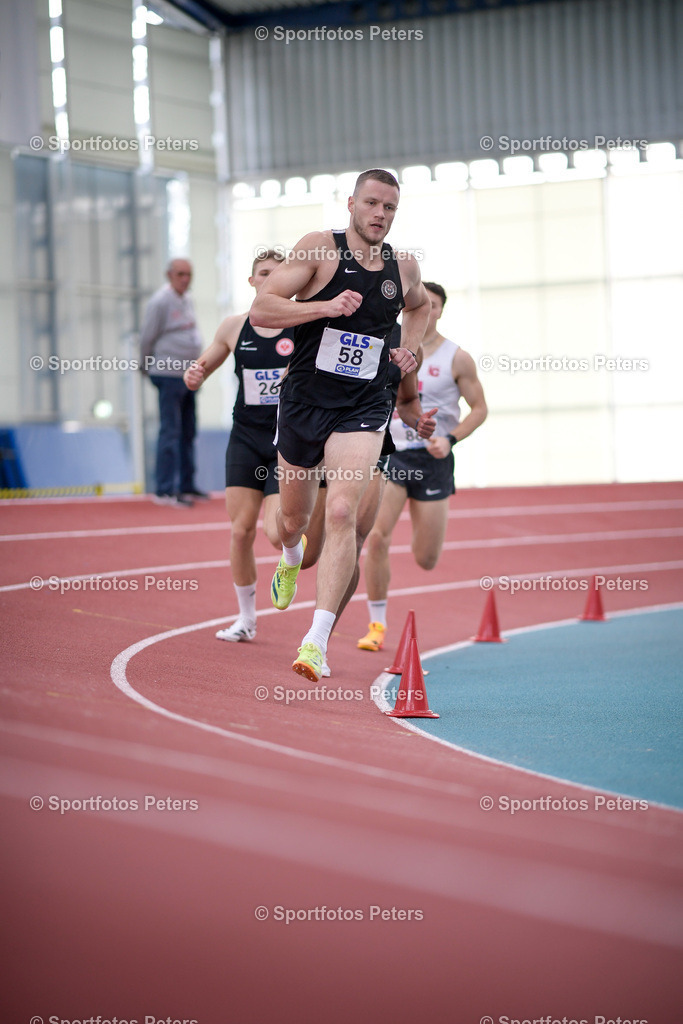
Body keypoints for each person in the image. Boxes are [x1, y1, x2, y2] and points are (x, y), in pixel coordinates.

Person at [250, 168, 430, 682]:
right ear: (350, 203)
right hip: (306, 400)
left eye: (389, 207)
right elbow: (262, 310)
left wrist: (409, 349)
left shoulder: (404, 265)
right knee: (293, 522)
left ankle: (315, 642)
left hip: (366, 403)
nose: (380, 215)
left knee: (344, 509)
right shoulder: (317, 250)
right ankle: (288, 556)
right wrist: (326, 306)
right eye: (372, 203)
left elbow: (418, 309)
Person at [357, 282, 488, 652]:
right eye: (420, 304)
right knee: (377, 536)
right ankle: (377, 624)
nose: (425, 310)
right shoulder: (389, 347)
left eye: (433, 305)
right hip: (394, 454)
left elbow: (480, 409)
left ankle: (421, 536)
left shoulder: (456, 358)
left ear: (440, 311)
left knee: (426, 559)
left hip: (433, 460)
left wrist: (450, 439)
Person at [183, 250, 292, 641]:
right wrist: (194, 374)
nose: (270, 279)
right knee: (240, 530)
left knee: (277, 534)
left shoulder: (303, 326)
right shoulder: (234, 327)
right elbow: (203, 365)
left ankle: (291, 559)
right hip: (246, 438)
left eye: (279, 274)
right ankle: (247, 620)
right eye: (264, 273)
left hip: (287, 443)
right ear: (252, 281)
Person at [140, 258, 208, 507]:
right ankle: (165, 489)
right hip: (168, 374)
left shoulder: (187, 299)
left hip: (188, 374)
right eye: (180, 274)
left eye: (189, 274)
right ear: (169, 275)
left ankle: (186, 485)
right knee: (170, 431)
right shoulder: (160, 301)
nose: (185, 279)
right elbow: (147, 336)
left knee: (188, 431)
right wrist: (144, 365)